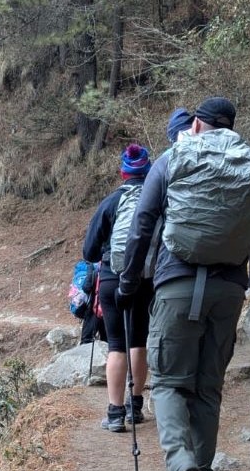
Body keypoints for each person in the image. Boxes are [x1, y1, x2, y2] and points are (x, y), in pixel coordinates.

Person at [117, 97, 250, 471]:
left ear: (195, 126)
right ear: (229, 127)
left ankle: (180, 464)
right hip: (227, 291)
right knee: (208, 388)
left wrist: (129, 281)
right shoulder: (248, 166)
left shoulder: (172, 159)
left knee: (169, 383)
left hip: (176, 284)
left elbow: (143, 222)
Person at [81, 143, 154, 432]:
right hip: (145, 278)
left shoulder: (112, 202)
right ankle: (135, 408)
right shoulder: (157, 201)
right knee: (139, 341)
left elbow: (89, 252)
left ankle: (114, 414)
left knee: (116, 344)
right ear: (148, 171)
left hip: (113, 277)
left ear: (123, 173)